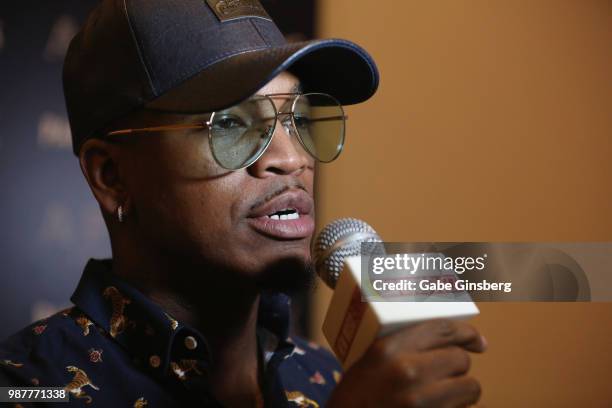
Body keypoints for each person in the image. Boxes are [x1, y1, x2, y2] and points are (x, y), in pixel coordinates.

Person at [0, 0, 486, 406]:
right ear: (112, 176)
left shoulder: (328, 380)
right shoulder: (28, 388)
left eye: (297, 119)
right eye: (230, 124)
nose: (292, 158)